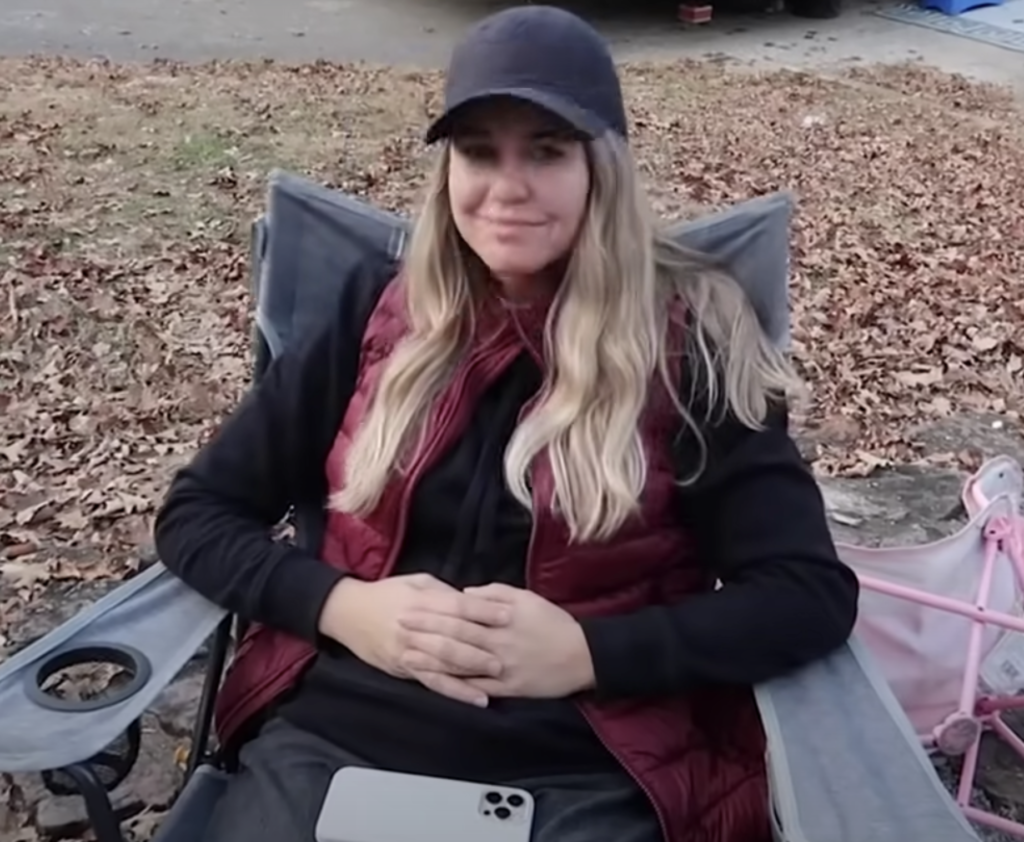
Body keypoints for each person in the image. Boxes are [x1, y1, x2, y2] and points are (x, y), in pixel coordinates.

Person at [154, 6, 859, 842]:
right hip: (334, 738)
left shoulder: (688, 346)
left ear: (603, 169)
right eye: (479, 152)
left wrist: (589, 654)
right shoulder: (375, 314)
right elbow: (196, 515)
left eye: (547, 151)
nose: (507, 187)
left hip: (586, 757)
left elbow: (805, 594)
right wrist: (345, 608)